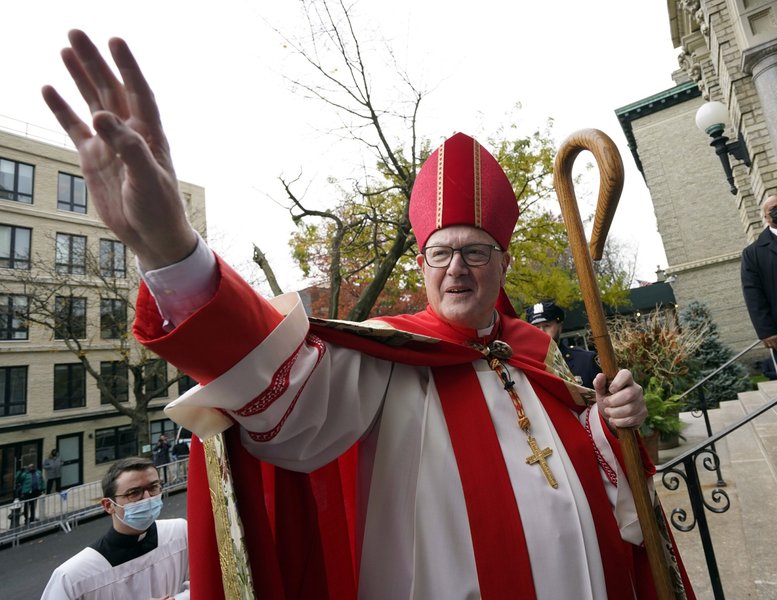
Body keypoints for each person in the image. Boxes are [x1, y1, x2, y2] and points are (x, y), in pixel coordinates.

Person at [42, 30, 693, 599]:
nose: (457, 269)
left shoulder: (536, 352)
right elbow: (276, 387)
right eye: (440, 253)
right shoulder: (385, 358)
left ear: (504, 261)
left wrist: (612, 423)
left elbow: (604, 479)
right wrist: (170, 248)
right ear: (420, 264)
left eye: (476, 252)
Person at [41, 457, 189, 600]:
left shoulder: (179, 533)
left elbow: (200, 584)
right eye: (134, 493)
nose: (148, 497)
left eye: (153, 487)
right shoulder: (73, 576)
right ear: (108, 505)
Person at [741, 194, 777, 372]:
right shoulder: (753, 253)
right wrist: (766, 331)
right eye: (773, 209)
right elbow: (753, 295)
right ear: (766, 217)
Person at [526, 300, 603, 389]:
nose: (541, 331)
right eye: (536, 327)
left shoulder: (585, 360)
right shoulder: (526, 364)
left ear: (560, 326)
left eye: (547, 325)